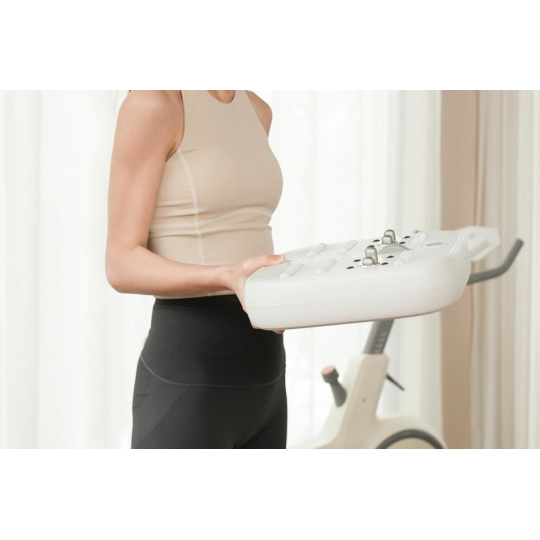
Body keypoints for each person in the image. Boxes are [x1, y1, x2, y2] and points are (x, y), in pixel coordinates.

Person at [106, 90, 288, 448]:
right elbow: (120, 263)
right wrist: (225, 275)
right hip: (190, 371)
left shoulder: (257, 110)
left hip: (265, 368)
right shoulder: (154, 103)